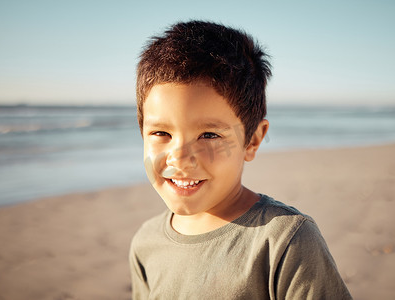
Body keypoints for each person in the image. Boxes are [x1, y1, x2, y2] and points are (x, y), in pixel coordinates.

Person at [129, 20, 352, 299]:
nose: (181, 158)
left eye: (209, 135)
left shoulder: (284, 242)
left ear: (253, 140)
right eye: (161, 132)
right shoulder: (145, 242)